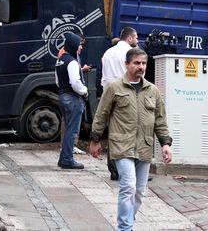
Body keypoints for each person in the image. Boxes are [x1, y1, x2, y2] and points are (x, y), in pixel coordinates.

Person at [88, 48, 172, 231]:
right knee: (128, 186)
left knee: (139, 192)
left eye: (143, 63)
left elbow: (160, 120)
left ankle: (128, 222)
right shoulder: (114, 87)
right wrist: (95, 139)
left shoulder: (152, 90)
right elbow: (101, 114)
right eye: (136, 63)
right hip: (121, 146)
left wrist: (165, 144)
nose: (140, 67)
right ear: (127, 64)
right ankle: (125, 228)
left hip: (144, 147)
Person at [101, 27, 139, 180]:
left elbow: (103, 75)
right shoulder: (129, 53)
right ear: (130, 38)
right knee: (129, 132)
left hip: (108, 94)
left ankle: (114, 169)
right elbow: (133, 75)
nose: (137, 40)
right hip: (125, 94)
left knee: (113, 132)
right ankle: (129, 169)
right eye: (136, 38)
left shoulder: (107, 52)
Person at [54, 32, 88, 170]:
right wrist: (84, 91)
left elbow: (57, 81)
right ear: (73, 45)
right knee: (72, 131)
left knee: (68, 129)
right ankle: (67, 159)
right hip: (72, 98)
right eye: (79, 45)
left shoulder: (60, 60)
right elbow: (75, 82)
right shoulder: (72, 62)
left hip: (62, 95)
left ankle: (64, 158)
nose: (80, 47)